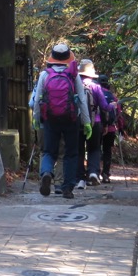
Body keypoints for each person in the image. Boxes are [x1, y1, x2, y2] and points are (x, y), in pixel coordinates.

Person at [32, 43, 91, 199]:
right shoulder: (73, 74)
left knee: (48, 151)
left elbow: (38, 99)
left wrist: (36, 119)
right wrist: (86, 122)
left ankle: (46, 173)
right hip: (71, 119)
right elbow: (82, 100)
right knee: (70, 153)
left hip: (50, 119)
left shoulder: (45, 75)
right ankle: (67, 188)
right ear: (68, 58)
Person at [76, 59, 112, 188]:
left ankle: (79, 178)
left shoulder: (75, 85)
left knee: (79, 150)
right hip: (94, 122)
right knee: (94, 149)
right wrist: (112, 106)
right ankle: (92, 173)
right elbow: (104, 106)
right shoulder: (96, 87)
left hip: (77, 122)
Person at [99, 74, 123, 183]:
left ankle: (93, 172)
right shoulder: (113, 97)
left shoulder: (95, 92)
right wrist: (121, 128)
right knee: (107, 151)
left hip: (98, 126)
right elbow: (119, 114)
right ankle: (105, 174)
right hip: (111, 128)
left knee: (94, 149)